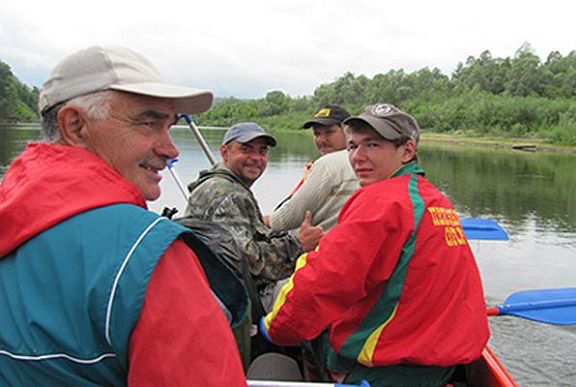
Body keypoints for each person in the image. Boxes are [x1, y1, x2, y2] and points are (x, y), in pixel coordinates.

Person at [0, 46, 246, 386]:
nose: (170, 149)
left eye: (170, 127)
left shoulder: (11, 219)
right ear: (75, 125)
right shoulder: (149, 259)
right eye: (148, 123)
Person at [261, 103, 490, 386]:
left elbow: (321, 282)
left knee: (287, 343)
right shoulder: (435, 199)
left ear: (407, 151)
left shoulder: (381, 202)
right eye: (353, 146)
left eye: (372, 145)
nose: (358, 157)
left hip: (389, 370)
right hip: (442, 365)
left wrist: (274, 328)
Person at [184, 122, 324, 313]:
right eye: (246, 149)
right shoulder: (228, 194)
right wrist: (298, 244)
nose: (256, 158)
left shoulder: (224, 185)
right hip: (230, 301)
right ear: (225, 153)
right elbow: (248, 262)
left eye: (262, 151)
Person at [266, 104, 359, 232]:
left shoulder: (327, 164)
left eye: (329, 132)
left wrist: (257, 221)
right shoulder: (370, 163)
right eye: (317, 134)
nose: (321, 140)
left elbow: (284, 219)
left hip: (319, 247)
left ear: (348, 132)